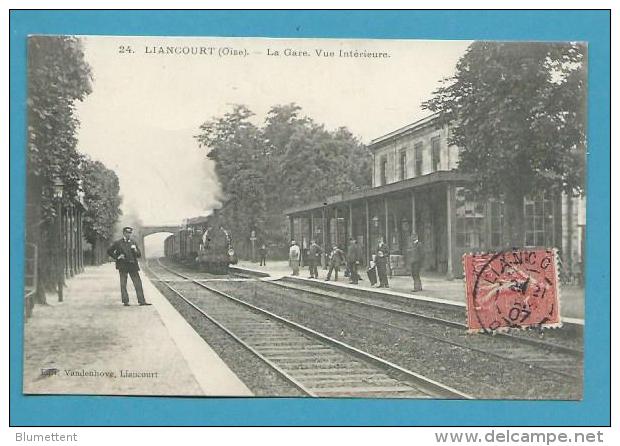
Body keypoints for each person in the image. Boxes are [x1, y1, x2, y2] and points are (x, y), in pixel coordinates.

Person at [107, 226, 151, 306]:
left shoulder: (133, 242)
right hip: (123, 265)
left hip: (133, 265)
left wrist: (135, 250)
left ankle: (141, 301)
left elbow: (139, 255)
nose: (129, 234)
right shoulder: (118, 243)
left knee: (138, 283)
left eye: (130, 233)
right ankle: (125, 301)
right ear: (124, 233)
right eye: (127, 232)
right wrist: (117, 257)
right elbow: (109, 251)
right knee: (123, 284)